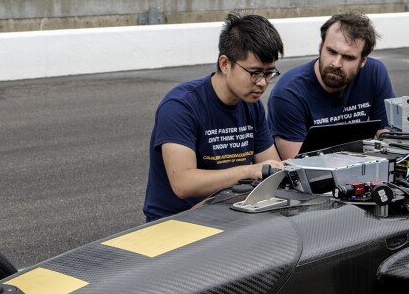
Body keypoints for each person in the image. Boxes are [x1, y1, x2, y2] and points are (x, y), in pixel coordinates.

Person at [143, 13, 286, 222]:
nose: (263, 83)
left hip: (230, 213)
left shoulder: (251, 105)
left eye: (269, 73)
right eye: (255, 73)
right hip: (175, 223)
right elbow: (183, 183)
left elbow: (270, 169)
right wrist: (248, 171)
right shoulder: (180, 106)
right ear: (225, 64)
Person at [268, 13, 395, 160]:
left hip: (360, 172)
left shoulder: (374, 73)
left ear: (363, 61)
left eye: (348, 57)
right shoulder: (288, 93)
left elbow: (388, 138)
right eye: (331, 51)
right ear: (321, 46)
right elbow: (298, 168)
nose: (336, 63)